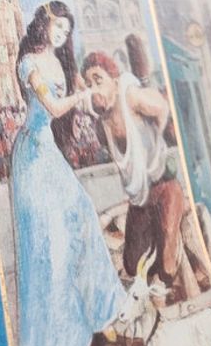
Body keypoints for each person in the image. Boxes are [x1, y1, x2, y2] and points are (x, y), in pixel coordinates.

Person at [12, 2, 124, 346]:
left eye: (66, 30)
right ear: (44, 24)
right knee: (51, 256)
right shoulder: (29, 63)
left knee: (83, 215)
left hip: (50, 156)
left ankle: (101, 310)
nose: (61, 35)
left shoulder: (61, 62)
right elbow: (56, 109)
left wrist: (98, 97)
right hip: (32, 158)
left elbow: (86, 106)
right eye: (57, 27)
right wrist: (81, 95)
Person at [82, 51, 202, 298]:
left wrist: (154, 141)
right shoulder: (102, 125)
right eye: (89, 83)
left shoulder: (131, 97)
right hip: (140, 200)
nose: (93, 89)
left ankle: (189, 278)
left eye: (98, 80)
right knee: (131, 263)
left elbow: (162, 107)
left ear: (114, 79)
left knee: (167, 264)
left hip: (163, 186)